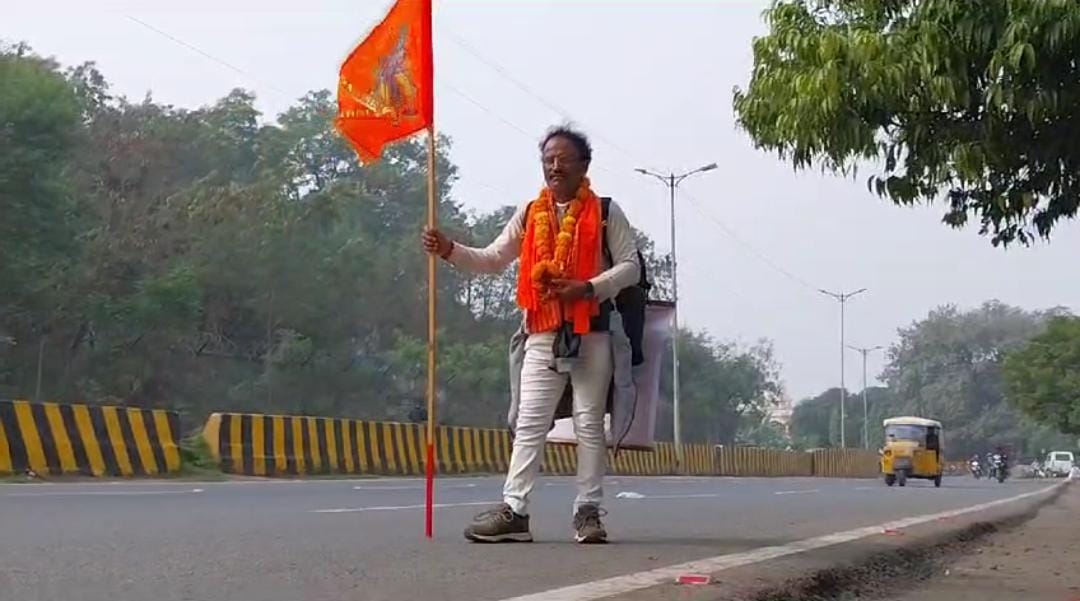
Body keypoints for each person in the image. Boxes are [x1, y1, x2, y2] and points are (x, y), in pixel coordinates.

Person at [422, 126, 640, 544]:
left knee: (589, 424)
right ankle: (515, 510)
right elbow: (491, 260)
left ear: (584, 167)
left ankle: (588, 512)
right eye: (548, 160)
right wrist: (449, 249)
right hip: (541, 330)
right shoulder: (529, 214)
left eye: (563, 159)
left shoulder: (607, 212)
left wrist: (589, 287)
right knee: (529, 423)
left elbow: (630, 267)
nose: (555, 167)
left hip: (591, 331)